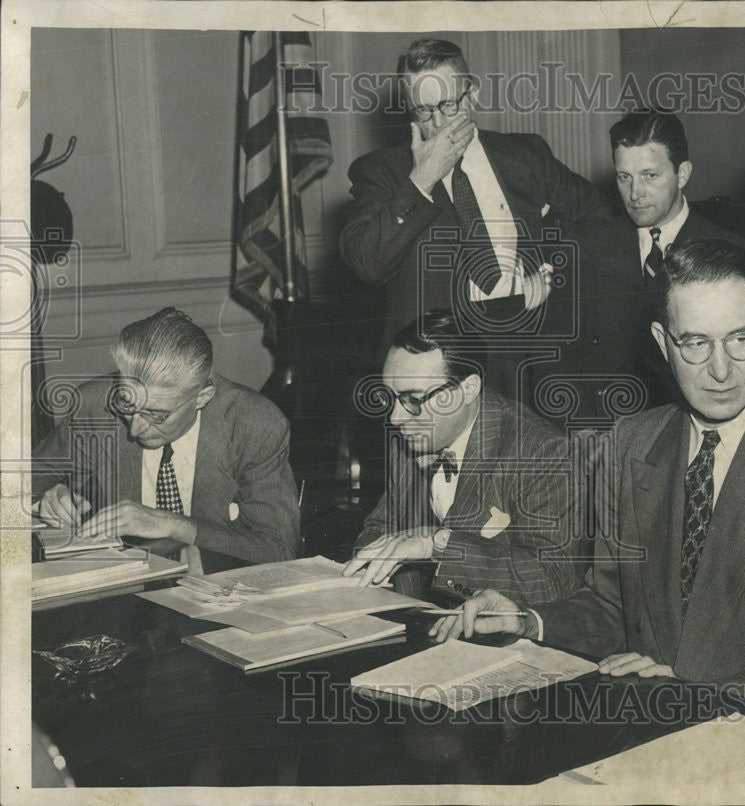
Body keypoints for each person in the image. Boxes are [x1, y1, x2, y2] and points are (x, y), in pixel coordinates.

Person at [432, 240, 745, 722]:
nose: (720, 370)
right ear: (663, 343)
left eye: (740, 339)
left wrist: (705, 697)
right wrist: (530, 620)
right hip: (653, 723)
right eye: (696, 343)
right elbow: (613, 605)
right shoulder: (632, 442)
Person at [340, 37, 612, 399]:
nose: (437, 124)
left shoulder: (525, 156)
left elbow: (599, 217)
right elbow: (366, 263)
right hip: (432, 379)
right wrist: (422, 177)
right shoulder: (382, 173)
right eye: (422, 111)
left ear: (472, 96)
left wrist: (552, 270)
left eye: (448, 106)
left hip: (527, 368)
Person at [342, 310, 581, 606]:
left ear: (468, 388)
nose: (396, 417)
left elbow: (553, 578)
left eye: (414, 400)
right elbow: (379, 531)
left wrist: (437, 545)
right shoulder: (412, 436)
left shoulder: (542, 452)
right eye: (388, 397)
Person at [537, 110, 745, 420]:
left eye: (649, 176)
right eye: (624, 177)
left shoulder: (731, 253)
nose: (635, 194)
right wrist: (581, 430)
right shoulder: (585, 246)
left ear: (682, 174)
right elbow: (554, 357)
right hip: (602, 436)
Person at [33, 307, 300, 565]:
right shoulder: (95, 407)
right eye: (127, 405)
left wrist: (173, 526)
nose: (135, 429)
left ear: (202, 397)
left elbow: (278, 549)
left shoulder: (254, 426)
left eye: (157, 415)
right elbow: (23, 478)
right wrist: (46, 497)